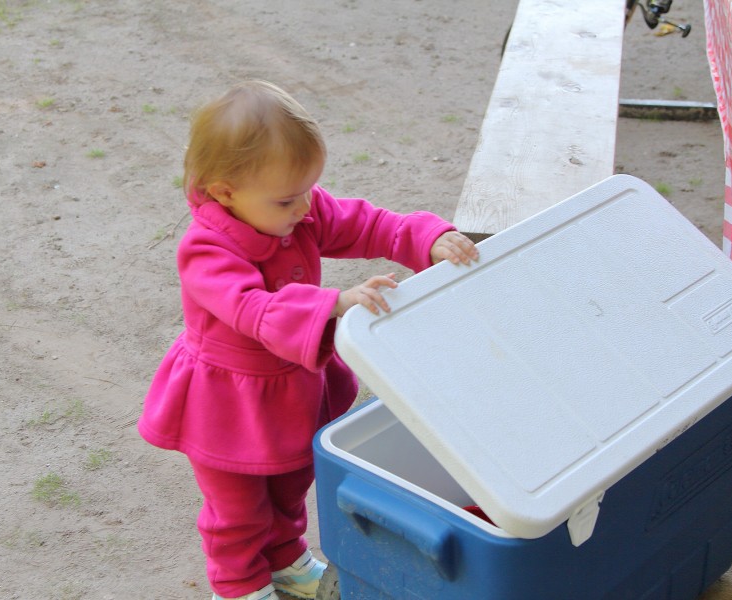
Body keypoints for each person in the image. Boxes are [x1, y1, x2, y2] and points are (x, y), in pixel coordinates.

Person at [137, 79, 479, 600]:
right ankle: (238, 588)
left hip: (290, 387)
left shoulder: (295, 210)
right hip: (227, 405)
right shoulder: (205, 250)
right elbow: (250, 309)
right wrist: (333, 304)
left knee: (289, 488)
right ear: (225, 192)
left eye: (307, 193)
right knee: (237, 510)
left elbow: (366, 224)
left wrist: (424, 237)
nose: (304, 209)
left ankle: (287, 563)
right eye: (287, 199)